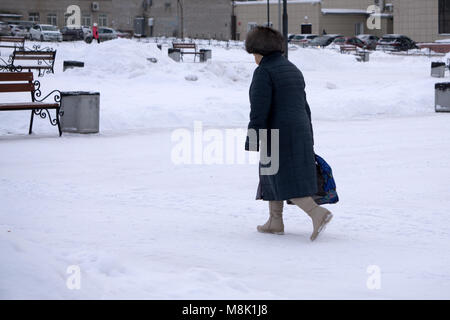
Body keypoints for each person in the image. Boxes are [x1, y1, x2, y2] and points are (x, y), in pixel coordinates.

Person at [244, 26, 333, 241]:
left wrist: (254, 138)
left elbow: (258, 108)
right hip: (298, 128)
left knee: (283, 177)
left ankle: (318, 214)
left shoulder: (264, 71)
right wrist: (309, 134)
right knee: (272, 176)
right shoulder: (292, 68)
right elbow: (304, 105)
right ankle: (275, 221)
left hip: (276, 132)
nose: (254, 59)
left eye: (254, 54)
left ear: (260, 51)